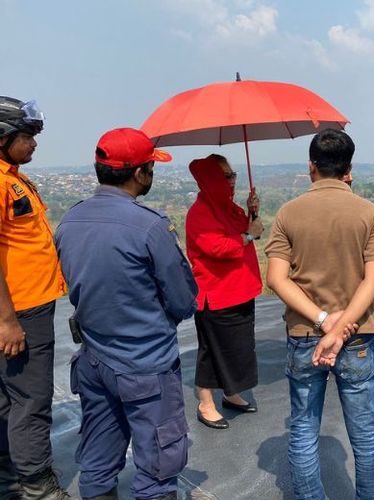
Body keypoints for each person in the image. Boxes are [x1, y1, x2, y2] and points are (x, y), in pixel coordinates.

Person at [54, 128, 198, 500]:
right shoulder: (150, 226)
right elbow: (183, 301)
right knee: (157, 469)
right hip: (146, 365)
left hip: (93, 359)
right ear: (139, 173)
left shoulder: (70, 221)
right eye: (150, 167)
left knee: (98, 464)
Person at [265, 129, 374, 500]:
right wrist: (341, 328)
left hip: (306, 334)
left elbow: (275, 278)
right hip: (358, 335)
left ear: (311, 166)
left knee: (303, 430)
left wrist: (323, 322)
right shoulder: (368, 213)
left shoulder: (289, 213)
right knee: (364, 433)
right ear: (349, 168)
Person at [0, 96, 70, 499]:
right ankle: (37, 486)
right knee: (31, 400)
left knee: (9, 399)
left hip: (22, 307)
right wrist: (8, 321)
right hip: (19, 312)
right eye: (27, 136)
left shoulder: (13, 176)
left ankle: (8, 477)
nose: (34, 144)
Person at [185, 154, 264, 429]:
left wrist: (251, 212)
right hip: (215, 295)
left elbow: (248, 231)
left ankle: (231, 393)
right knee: (212, 349)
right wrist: (249, 234)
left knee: (237, 347)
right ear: (212, 180)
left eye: (233, 175)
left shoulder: (227, 208)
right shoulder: (201, 212)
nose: (232, 181)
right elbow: (219, 247)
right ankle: (205, 401)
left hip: (238, 290)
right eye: (226, 176)